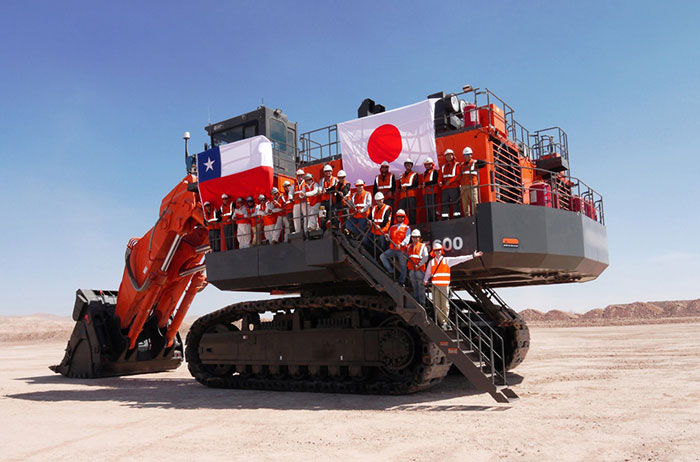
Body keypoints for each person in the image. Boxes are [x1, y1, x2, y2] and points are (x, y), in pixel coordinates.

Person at [424, 243, 483, 328]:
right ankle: (443, 322)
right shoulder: (431, 262)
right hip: (435, 286)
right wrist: (425, 280)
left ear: (441, 251)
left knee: (445, 305)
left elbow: (459, 259)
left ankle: (445, 321)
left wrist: (472, 256)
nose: (438, 252)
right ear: (434, 252)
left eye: (439, 250)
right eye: (436, 250)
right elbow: (427, 274)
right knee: (437, 305)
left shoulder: (447, 260)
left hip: (444, 286)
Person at [379, 209, 410, 285]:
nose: (400, 218)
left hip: (401, 250)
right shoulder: (392, 227)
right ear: (396, 217)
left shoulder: (407, 228)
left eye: (402, 217)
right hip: (392, 249)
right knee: (382, 256)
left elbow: (407, 238)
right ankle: (391, 271)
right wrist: (386, 236)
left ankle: (402, 281)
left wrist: (401, 245)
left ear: (404, 217)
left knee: (403, 266)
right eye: (398, 217)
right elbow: (388, 238)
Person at [406, 229, 429, 305]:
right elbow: (407, 256)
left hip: (419, 269)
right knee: (414, 286)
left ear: (419, 238)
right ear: (411, 238)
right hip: (412, 269)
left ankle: (422, 302)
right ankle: (417, 301)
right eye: (413, 237)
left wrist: (419, 265)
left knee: (420, 286)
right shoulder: (409, 246)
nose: (415, 239)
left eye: (416, 237)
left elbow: (425, 257)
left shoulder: (422, 246)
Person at [440, 149, 461, 219]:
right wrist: (439, 182)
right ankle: (445, 217)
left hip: (454, 186)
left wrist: (450, 181)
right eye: (447, 155)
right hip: (445, 188)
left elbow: (458, 176)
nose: (448, 157)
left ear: (453, 156)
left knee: (455, 202)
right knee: (445, 203)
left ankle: (457, 216)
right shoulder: (443, 167)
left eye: (450, 155)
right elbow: (440, 176)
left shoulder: (456, 164)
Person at [398, 158, 419, 224]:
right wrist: (399, 189)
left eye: (409, 164)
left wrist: (407, 188)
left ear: (411, 166)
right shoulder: (401, 176)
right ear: (405, 166)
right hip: (402, 195)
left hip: (411, 194)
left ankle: (413, 223)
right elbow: (399, 186)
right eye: (406, 164)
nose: (408, 166)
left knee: (412, 210)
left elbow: (415, 184)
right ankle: (403, 223)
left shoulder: (415, 174)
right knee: (401, 210)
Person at [460, 147, 479, 217]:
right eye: (465, 155)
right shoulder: (462, 165)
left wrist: (477, 161)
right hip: (463, 186)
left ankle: (475, 215)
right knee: (465, 202)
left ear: (471, 155)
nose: (467, 156)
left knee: (474, 201)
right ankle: (467, 216)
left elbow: (484, 163)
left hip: (472, 185)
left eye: (468, 155)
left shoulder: (475, 163)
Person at [421, 157, 439, 222]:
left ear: (432, 164)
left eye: (429, 164)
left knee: (432, 207)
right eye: (426, 164)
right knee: (428, 207)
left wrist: (425, 184)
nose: (427, 166)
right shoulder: (424, 173)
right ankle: (430, 220)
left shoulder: (434, 172)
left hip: (432, 192)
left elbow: (435, 181)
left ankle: (434, 220)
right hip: (426, 192)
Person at [320, 164, 338, 230]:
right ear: (324, 172)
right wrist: (321, 191)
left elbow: (336, 188)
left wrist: (327, 190)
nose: (328, 173)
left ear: (332, 171)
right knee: (322, 215)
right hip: (324, 202)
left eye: (329, 171)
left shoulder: (335, 179)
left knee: (333, 214)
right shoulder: (322, 181)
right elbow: (320, 189)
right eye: (326, 171)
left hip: (332, 201)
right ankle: (323, 230)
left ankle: (335, 229)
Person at [291, 169, 305, 233]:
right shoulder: (294, 185)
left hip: (304, 202)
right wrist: (290, 197)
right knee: (296, 218)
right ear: (297, 177)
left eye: (301, 176)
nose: (300, 177)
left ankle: (306, 230)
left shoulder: (305, 183)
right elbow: (290, 193)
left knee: (306, 216)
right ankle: (297, 231)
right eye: (299, 176)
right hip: (296, 203)